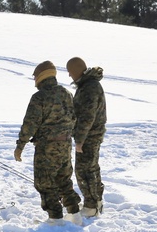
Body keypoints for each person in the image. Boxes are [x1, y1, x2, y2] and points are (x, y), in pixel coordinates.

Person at [14, 61, 81, 222]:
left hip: (47, 146)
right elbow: (74, 118)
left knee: (44, 182)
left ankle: (55, 218)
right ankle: (74, 213)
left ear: (41, 77)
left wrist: (20, 145)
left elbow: (30, 124)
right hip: (65, 144)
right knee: (63, 179)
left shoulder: (39, 97)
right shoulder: (67, 93)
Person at [67, 57, 106, 218]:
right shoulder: (89, 85)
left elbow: (87, 117)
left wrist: (80, 140)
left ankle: (91, 206)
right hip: (92, 134)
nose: (69, 76)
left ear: (77, 71)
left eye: (70, 72)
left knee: (84, 170)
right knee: (91, 168)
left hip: (89, 136)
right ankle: (95, 202)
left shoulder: (89, 88)